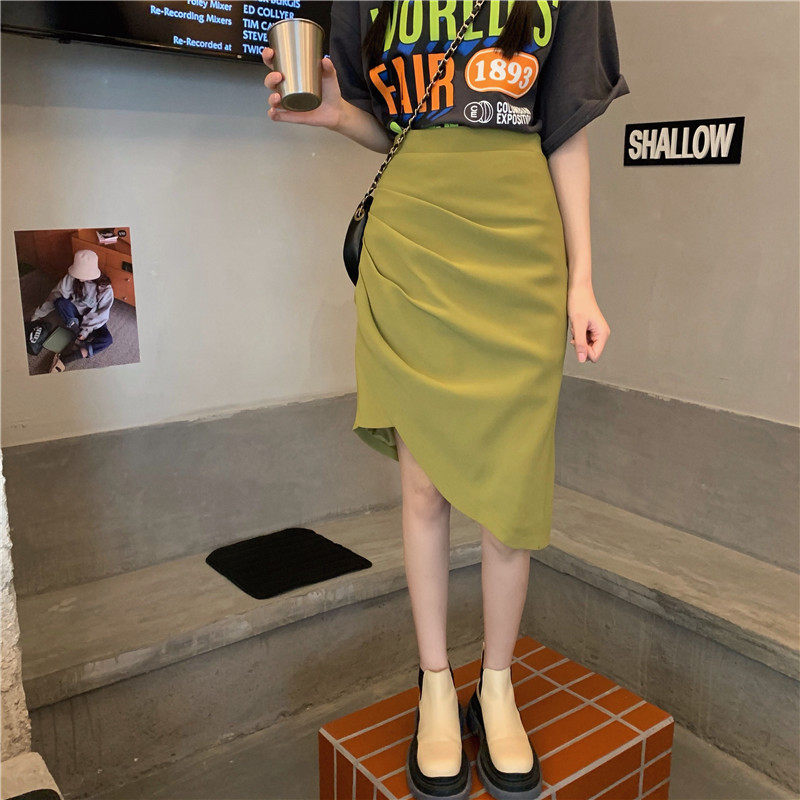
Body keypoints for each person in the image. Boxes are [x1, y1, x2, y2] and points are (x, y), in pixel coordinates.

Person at [263, 1, 629, 797]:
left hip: (519, 246)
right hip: (414, 241)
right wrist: (335, 116)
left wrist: (583, 279)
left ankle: (496, 685)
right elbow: (393, 126)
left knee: (510, 490)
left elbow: (566, 127)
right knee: (423, 485)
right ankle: (436, 683)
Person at [29, 249, 115, 373]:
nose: (79, 279)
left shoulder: (105, 290)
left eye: (82, 275)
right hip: (74, 315)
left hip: (92, 321)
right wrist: (38, 313)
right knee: (60, 302)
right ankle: (77, 333)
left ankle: (65, 359)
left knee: (107, 339)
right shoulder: (72, 277)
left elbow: (101, 315)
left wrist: (86, 331)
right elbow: (55, 296)